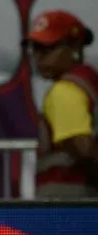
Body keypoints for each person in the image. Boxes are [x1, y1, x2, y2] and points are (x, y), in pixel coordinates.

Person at [25, 10, 98, 198]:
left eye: (48, 48)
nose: (38, 57)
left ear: (74, 48)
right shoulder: (89, 85)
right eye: (35, 48)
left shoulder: (64, 91)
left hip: (67, 209)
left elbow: (83, 149)